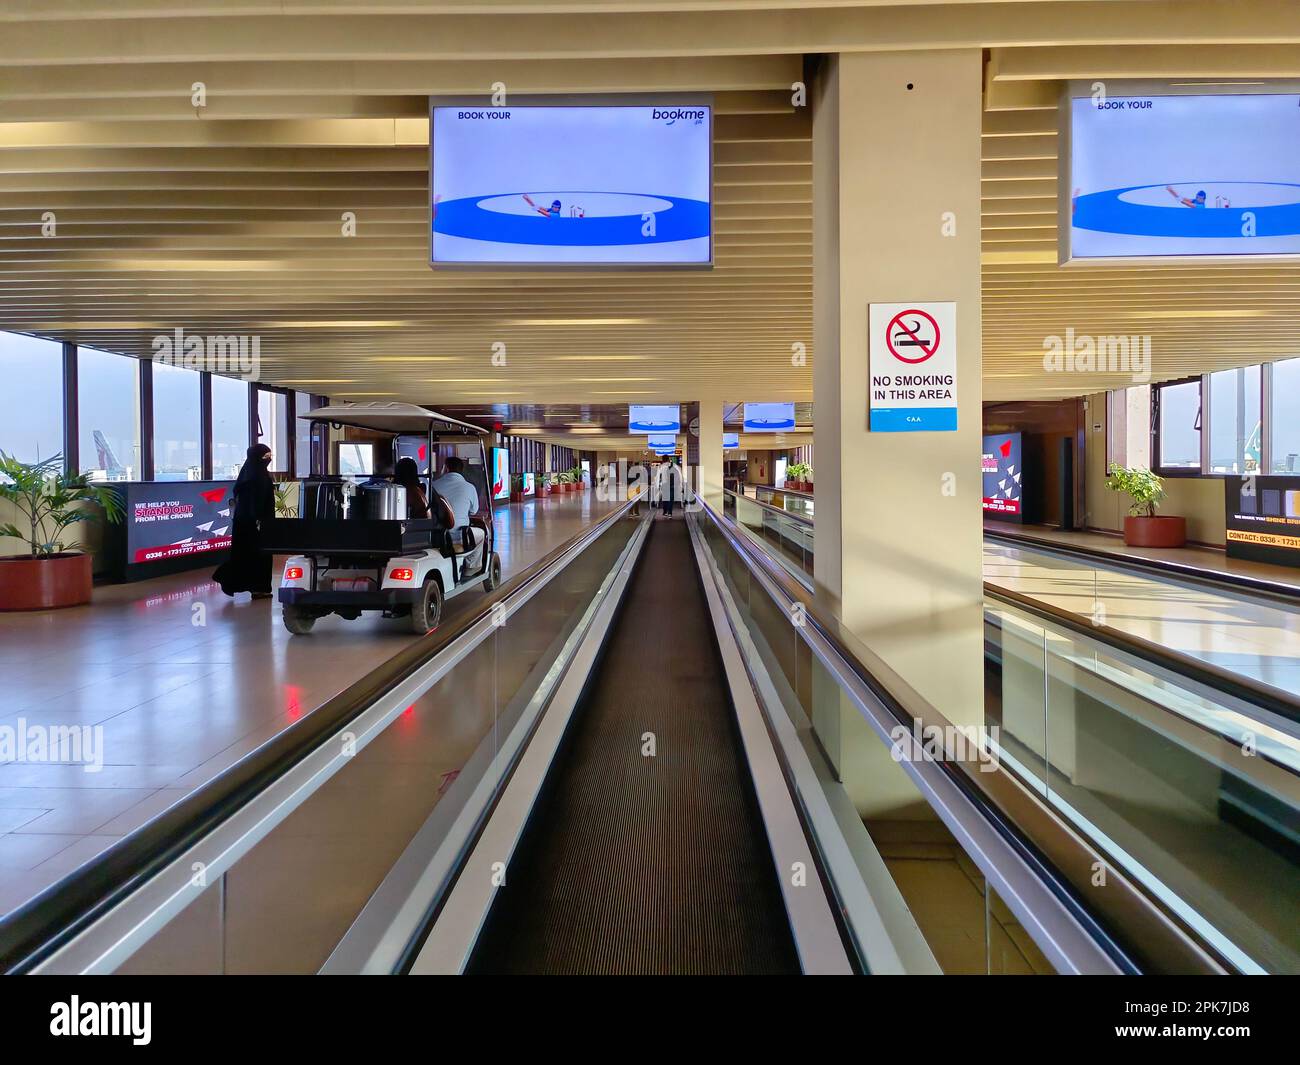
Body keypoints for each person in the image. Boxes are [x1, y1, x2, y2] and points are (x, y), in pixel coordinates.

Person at [213, 444, 274, 599]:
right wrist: (259, 520)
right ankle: (259, 588)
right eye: (265, 456)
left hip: (248, 523)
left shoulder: (250, 473)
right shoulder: (255, 476)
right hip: (254, 524)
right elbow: (255, 502)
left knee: (248, 556)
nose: (269, 459)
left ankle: (256, 587)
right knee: (259, 556)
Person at [432, 456, 479, 532]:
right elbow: (473, 511)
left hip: (437, 535)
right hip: (461, 535)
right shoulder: (470, 487)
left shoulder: (433, 486)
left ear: (446, 468)